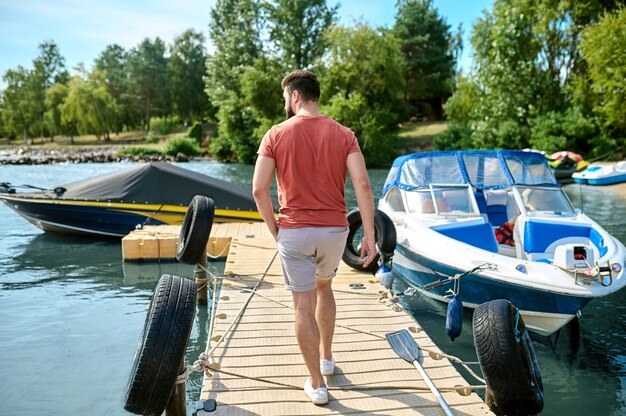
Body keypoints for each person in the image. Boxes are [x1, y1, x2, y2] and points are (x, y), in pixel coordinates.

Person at [252, 69, 376, 405]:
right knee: (325, 288)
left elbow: (259, 190)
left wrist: (274, 229)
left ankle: (318, 385)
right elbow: (363, 185)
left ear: (294, 96)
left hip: (295, 231)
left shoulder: (274, 135)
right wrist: (370, 234)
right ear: (315, 95)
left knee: (302, 304)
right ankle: (327, 357)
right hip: (336, 231)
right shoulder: (344, 134)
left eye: (285, 99)